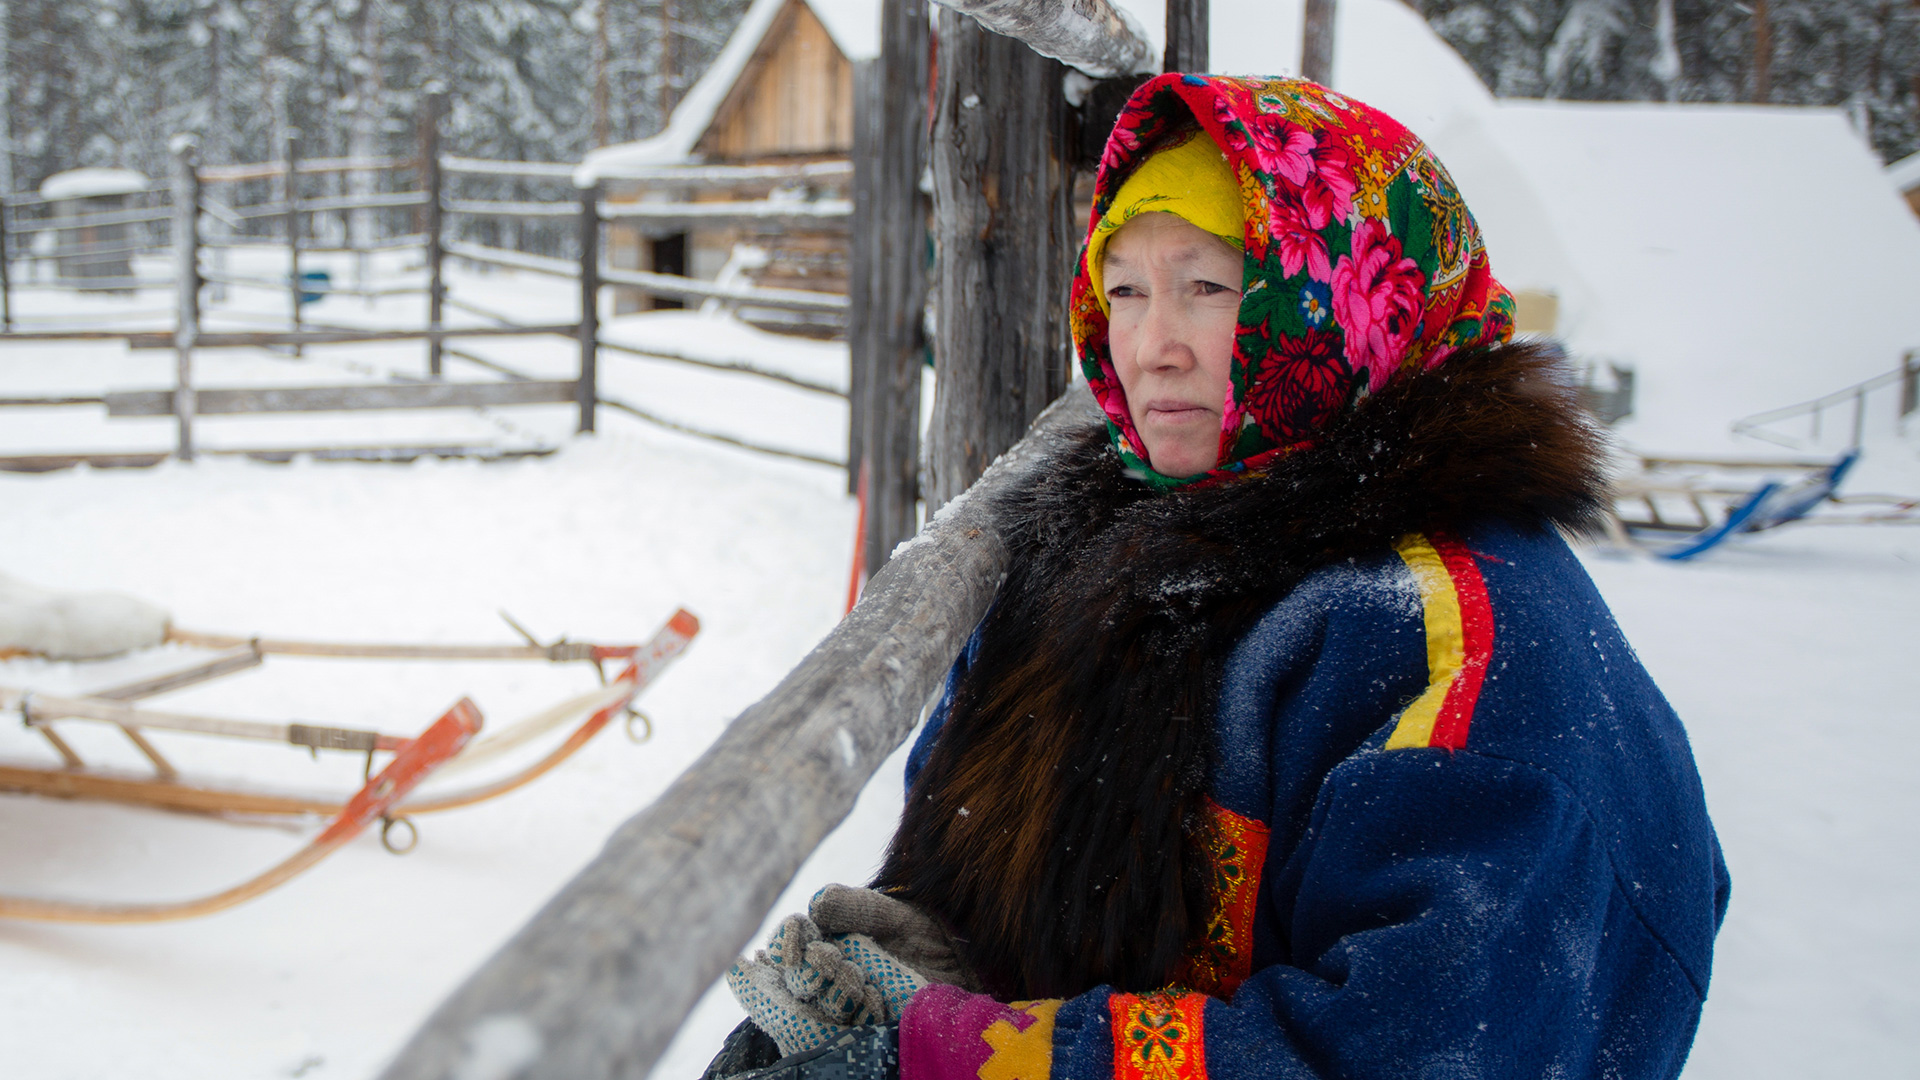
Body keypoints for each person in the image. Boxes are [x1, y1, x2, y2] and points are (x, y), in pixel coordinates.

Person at [714, 73, 1729, 1080]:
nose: (1152, 347)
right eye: (1126, 291)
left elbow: (1403, 1054)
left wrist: (971, 1053)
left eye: (1211, 287)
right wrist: (925, 953)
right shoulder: (1088, 557)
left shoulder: (1456, 647)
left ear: (1347, 288)